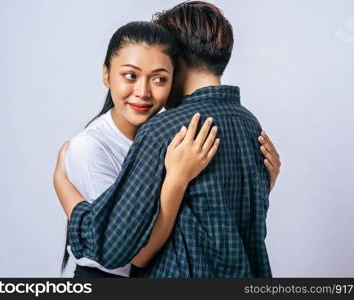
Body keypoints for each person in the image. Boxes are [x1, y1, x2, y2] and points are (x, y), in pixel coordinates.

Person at [55, 1, 281, 277]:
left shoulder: (164, 130)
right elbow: (229, 221)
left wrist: (62, 185)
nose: (145, 90)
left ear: (176, 59)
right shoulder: (250, 125)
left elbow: (115, 249)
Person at [54, 21, 222, 277]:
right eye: (130, 76)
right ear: (106, 75)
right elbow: (135, 255)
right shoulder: (90, 148)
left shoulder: (174, 136)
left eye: (159, 79)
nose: (143, 92)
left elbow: (201, 217)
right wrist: (177, 180)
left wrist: (263, 179)